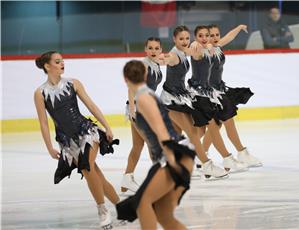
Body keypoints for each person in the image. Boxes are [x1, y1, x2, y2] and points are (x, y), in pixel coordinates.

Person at [34, 51, 120, 229]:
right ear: (47, 66)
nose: (62, 64)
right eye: (57, 62)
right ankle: (123, 207)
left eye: (62, 61)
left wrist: (107, 126)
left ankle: (102, 210)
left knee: (86, 167)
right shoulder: (40, 93)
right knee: (96, 176)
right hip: (67, 141)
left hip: (87, 132)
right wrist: (50, 147)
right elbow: (43, 123)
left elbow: (91, 105)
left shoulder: (73, 83)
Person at [116, 60, 196, 229]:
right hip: (176, 155)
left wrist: (172, 162)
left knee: (142, 203)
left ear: (125, 79)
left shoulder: (144, 98)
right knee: (164, 215)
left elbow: (161, 132)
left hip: (171, 157)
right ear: (146, 75)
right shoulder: (146, 95)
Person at [160, 25, 229, 179]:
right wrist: (159, 58)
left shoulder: (185, 51)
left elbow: (208, 46)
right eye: (181, 39)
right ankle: (206, 164)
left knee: (187, 132)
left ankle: (172, 167)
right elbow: (165, 60)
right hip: (171, 101)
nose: (185, 41)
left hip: (181, 97)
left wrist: (208, 46)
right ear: (174, 39)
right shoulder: (174, 55)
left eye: (187, 38)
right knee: (192, 132)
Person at [187, 25, 248, 173]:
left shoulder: (213, 47)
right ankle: (223, 157)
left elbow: (228, 37)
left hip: (210, 94)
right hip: (199, 94)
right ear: (196, 37)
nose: (209, 38)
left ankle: (198, 156)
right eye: (202, 36)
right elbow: (187, 51)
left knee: (202, 130)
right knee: (212, 126)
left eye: (212, 35)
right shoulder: (197, 49)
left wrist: (239, 27)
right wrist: (192, 44)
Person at [202, 24, 262, 167]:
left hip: (220, 90)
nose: (215, 38)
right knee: (227, 120)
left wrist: (239, 28)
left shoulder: (218, 46)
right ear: (206, 37)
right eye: (211, 35)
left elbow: (228, 36)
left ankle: (201, 154)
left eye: (217, 34)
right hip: (211, 93)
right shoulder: (205, 50)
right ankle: (241, 152)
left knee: (216, 126)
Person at [121, 37, 165, 193]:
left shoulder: (156, 63)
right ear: (145, 49)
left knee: (137, 146)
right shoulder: (144, 65)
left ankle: (127, 179)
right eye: (150, 48)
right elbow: (131, 87)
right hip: (138, 110)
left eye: (156, 48)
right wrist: (133, 110)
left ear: (161, 50)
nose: (153, 51)